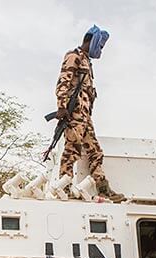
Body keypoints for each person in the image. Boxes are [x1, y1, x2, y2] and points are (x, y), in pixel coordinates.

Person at [55, 24, 123, 202]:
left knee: (96, 152)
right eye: (100, 45)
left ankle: (103, 189)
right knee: (71, 151)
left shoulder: (86, 61)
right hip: (74, 115)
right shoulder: (73, 56)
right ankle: (65, 188)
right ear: (90, 40)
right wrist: (62, 107)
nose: (100, 50)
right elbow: (63, 81)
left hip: (85, 117)